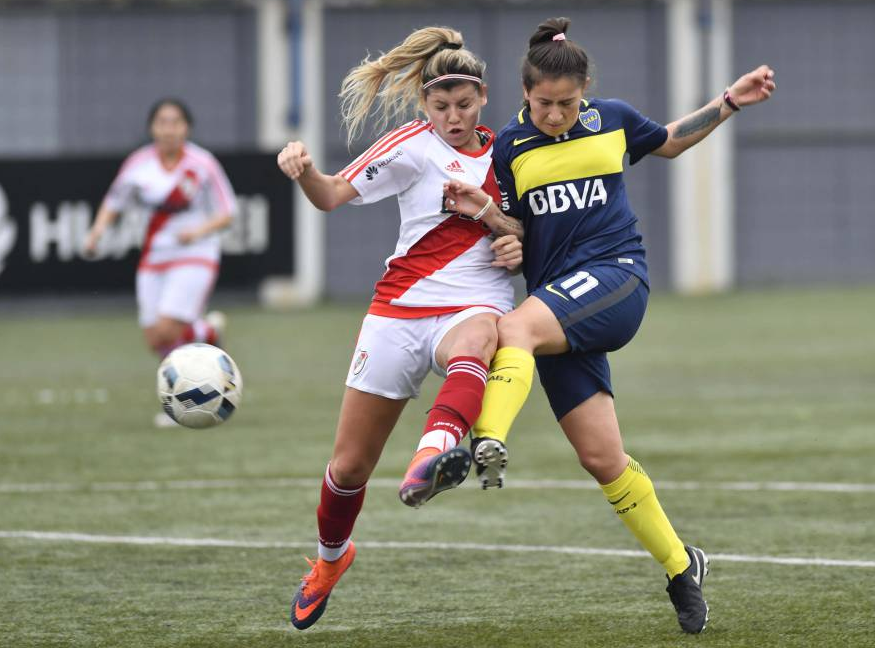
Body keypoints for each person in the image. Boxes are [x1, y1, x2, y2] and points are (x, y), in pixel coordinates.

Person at [441, 17, 776, 634]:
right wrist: (496, 227)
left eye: (567, 103)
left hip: (616, 277)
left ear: (586, 90)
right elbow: (518, 231)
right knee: (602, 458)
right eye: (544, 103)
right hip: (557, 305)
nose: (556, 115)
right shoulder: (509, 147)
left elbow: (671, 140)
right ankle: (683, 566)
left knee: (511, 330)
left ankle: (483, 439)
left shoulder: (613, 119)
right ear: (524, 93)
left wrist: (729, 101)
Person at [275, 27, 523, 631]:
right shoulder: (411, 145)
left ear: (483, 97)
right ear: (424, 105)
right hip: (397, 311)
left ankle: (431, 458)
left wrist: (511, 236)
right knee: (349, 468)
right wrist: (303, 169)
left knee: (480, 339)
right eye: (441, 107)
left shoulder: (513, 150)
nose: (453, 117)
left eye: (464, 105)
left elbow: (531, 229)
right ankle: (331, 561)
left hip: (473, 301)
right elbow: (331, 195)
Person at [83, 99, 237, 428]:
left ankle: (189, 401)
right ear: (153, 127)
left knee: (170, 328)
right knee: (155, 339)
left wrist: (197, 230)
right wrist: (96, 232)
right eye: (162, 122)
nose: (169, 129)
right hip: (155, 256)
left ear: (187, 127)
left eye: (176, 122)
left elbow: (228, 212)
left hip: (196, 253)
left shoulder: (202, 163)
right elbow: (114, 201)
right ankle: (207, 330)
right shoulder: (139, 164)